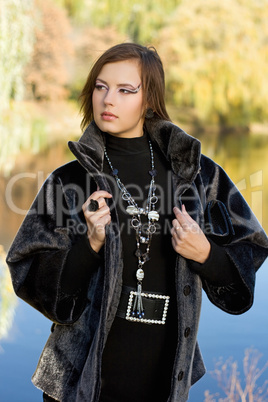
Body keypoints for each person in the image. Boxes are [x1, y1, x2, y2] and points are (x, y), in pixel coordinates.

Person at [6, 43, 268, 402]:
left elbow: (244, 274)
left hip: (164, 384)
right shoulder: (69, 182)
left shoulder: (199, 176)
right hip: (79, 385)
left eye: (125, 90)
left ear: (149, 100)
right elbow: (35, 283)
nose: (107, 100)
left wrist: (206, 253)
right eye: (101, 87)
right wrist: (89, 245)